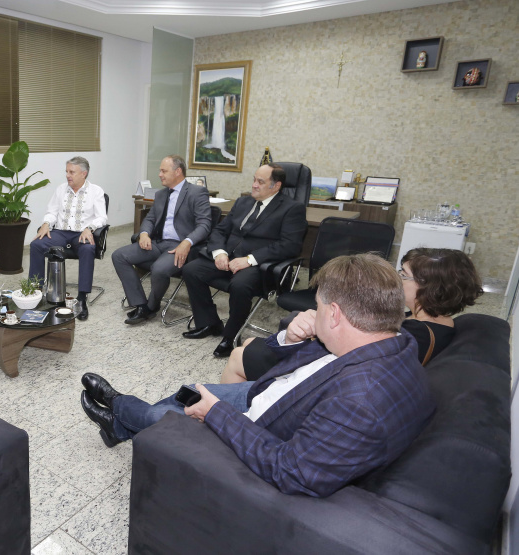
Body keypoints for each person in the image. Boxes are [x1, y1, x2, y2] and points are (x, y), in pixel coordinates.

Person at [80, 254, 435, 498]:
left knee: (166, 416)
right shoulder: (390, 337)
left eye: (321, 306)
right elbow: (300, 361)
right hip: (277, 397)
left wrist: (216, 413)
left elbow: (290, 471)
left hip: (264, 426)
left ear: (338, 315)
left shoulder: (360, 401)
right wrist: (289, 335)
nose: (315, 311)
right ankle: (121, 426)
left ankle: (120, 409)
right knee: (186, 393)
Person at [222, 247, 484, 383]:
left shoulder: (417, 335)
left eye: (403, 275)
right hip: (338, 366)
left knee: (239, 355)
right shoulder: (432, 323)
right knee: (251, 345)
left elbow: (354, 356)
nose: (396, 278)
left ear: (429, 287)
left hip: (333, 375)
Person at [181, 163, 308, 358]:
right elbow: (220, 231)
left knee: (240, 285)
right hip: (228, 258)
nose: (254, 185)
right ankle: (209, 323)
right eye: (254, 179)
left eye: (260, 181)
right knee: (192, 270)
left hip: (259, 264)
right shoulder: (243, 203)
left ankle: (231, 337)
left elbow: (289, 245)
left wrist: (250, 260)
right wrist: (220, 253)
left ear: (276, 186)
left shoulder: (293, 209)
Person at [111, 155, 211, 324]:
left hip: (180, 246)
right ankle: (140, 304)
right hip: (158, 243)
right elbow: (150, 218)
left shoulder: (196, 192)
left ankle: (151, 306)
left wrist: (187, 242)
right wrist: (144, 234)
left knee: (158, 269)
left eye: (164, 171)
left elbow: (205, 224)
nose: (159, 174)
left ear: (178, 171)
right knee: (119, 256)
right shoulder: (161, 194)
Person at [28, 157, 106, 321]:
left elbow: (102, 218)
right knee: (36, 244)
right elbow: (52, 211)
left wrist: (89, 228)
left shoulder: (96, 191)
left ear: (83, 174)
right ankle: (35, 292)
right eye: (66, 171)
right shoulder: (61, 189)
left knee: (88, 248)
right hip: (61, 233)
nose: (67, 175)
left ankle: (82, 298)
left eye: (72, 172)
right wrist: (46, 223)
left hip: (81, 234)